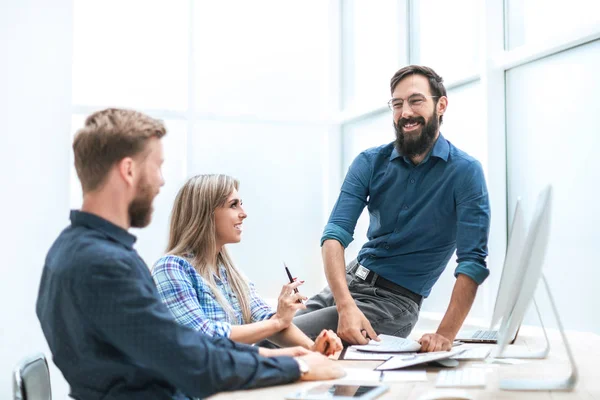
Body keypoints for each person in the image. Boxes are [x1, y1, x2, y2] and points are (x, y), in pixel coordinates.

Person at [36, 108, 343, 400]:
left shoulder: (72, 250)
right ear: (128, 170)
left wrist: (285, 355)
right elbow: (194, 361)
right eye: (156, 166)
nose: (161, 181)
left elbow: (184, 348)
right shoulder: (105, 264)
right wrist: (296, 366)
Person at [293, 65, 491, 352]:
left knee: (273, 342)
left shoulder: (465, 173)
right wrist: (345, 303)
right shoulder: (370, 162)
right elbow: (334, 235)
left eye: (416, 100)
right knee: (272, 330)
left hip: (391, 304)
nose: (405, 112)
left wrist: (445, 335)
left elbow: (472, 263)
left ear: (441, 105)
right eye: (397, 104)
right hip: (347, 285)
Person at [152, 174, 342, 356]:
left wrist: (314, 348)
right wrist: (277, 322)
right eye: (233, 205)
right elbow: (202, 335)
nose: (244, 214)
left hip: (233, 377)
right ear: (205, 213)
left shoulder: (231, 275)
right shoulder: (171, 268)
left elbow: (266, 319)